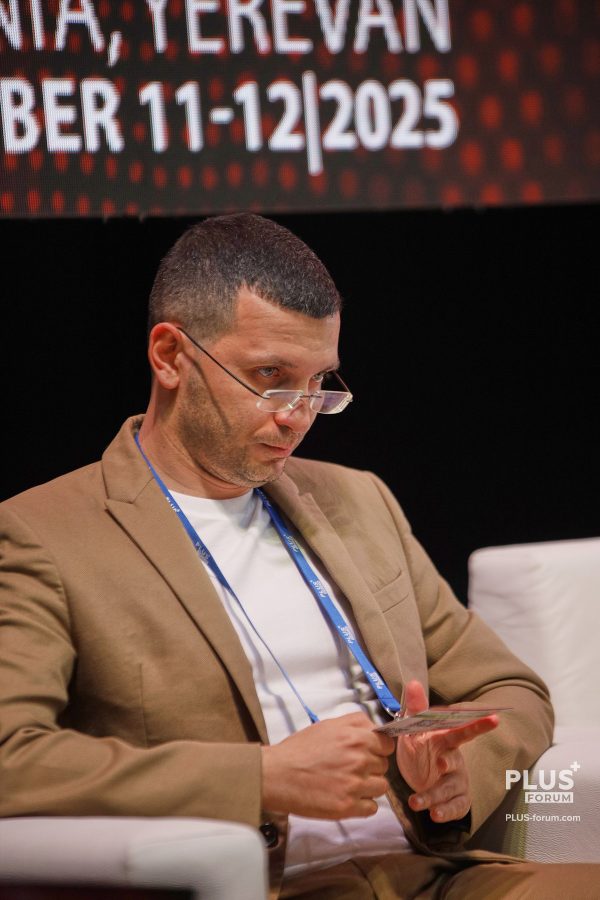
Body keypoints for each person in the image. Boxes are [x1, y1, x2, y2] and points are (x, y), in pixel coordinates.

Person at [0, 213, 597, 899]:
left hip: (429, 874)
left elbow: (512, 689)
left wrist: (459, 775)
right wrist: (260, 778)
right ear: (169, 356)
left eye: (319, 384)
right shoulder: (44, 534)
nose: (299, 415)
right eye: (270, 376)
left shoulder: (358, 500)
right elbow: (11, 754)